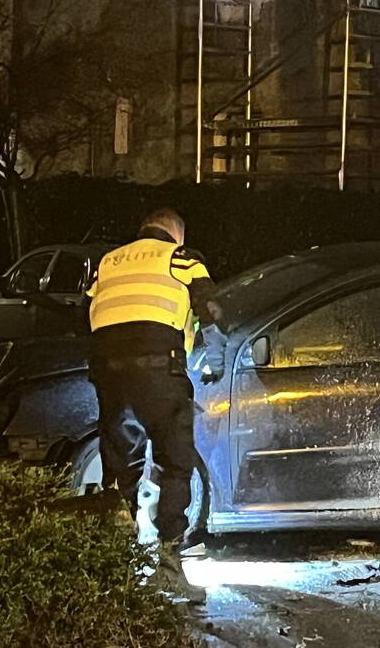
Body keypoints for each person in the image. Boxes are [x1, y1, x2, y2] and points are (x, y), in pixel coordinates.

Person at [87, 208, 226, 602]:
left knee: (122, 463)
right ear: (175, 234)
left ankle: (122, 562)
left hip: (109, 375)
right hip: (159, 372)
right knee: (174, 463)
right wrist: (215, 360)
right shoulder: (182, 258)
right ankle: (169, 565)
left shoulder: (108, 263)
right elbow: (209, 310)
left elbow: (88, 313)